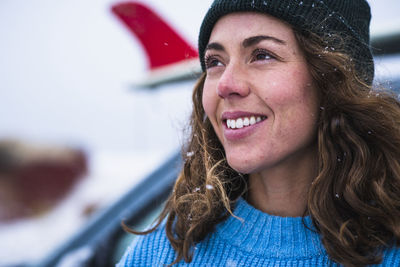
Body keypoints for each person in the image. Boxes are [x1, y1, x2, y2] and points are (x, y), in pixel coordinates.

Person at [117, 0, 400, 266]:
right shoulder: (166, 252)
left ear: (335, 78)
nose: (224, 85)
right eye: (215, 61)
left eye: (261, 55)